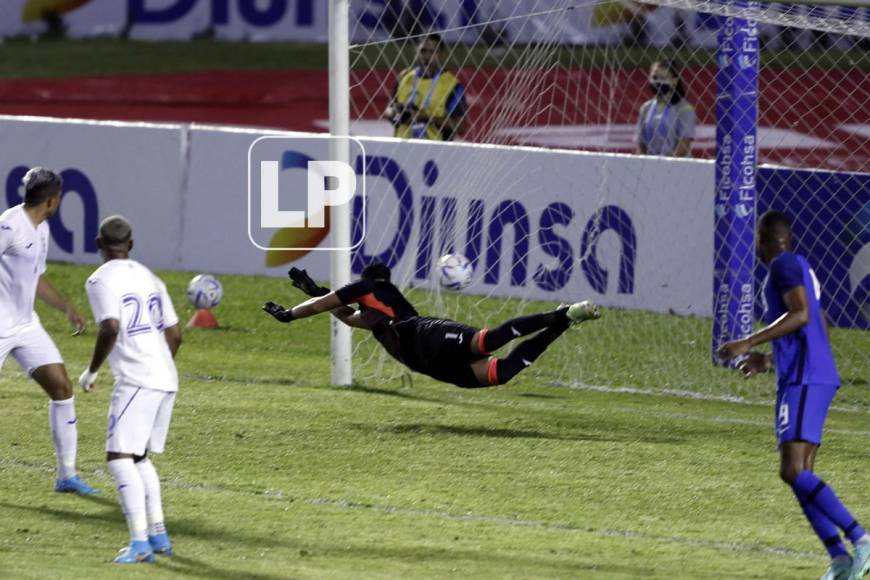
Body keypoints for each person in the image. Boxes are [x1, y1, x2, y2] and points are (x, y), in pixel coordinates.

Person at [720, 211, 870, 580]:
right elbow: (821, 324)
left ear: (767, 239)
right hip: (810, 373)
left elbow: (801, 315)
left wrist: (747, 342)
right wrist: (768, 360)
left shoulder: (783, 265)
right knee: (802, 473)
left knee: (792, 469)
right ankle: (839, 561)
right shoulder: (801, 266)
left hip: (804, 378)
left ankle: (859, 539)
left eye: (758, 237)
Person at [263, 264, 599, 389]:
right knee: (503, 373)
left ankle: (560, 315)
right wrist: (317, 294)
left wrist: (292, 314)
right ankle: (563, 320)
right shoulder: (375, 318)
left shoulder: (373, 288)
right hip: (424, 362)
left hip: (425, 334)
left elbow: (332, 304)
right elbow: (346, 315)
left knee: (488, 342)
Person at [79, 215, 182, 564]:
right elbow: (175, 334)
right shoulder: (148, 275)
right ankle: (159, 535)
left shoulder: (99, 280)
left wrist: (92, 370)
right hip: (166, 376)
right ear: (131, 245)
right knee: (139, 457)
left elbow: (110, 326)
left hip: (139, 379)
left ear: (97, 244)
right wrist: (159, 364)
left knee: (119, 458)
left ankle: (139, 544)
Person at [0, 167, 97, 495]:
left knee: (62, 388)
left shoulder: (40, 229)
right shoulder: (9, 225)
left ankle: (66, 476)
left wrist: (66, 308)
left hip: (26, 324)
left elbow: (35, 277)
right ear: (53, 200)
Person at [382, 33, 467, 141]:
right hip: (401, 147)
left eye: (432, 52)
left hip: (436, 151)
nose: (427, 57)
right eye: (423, 51)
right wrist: (396, 114)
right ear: (416, 52)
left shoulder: (452, 85)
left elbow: (460, 126)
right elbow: (388, 109)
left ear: (441, 55)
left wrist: (425, 118)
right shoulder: (404, 77)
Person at [635, 60, 695, 158]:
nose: (658, 81)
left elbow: (684, 143)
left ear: (674, 81)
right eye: (654, 78)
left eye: (663, 78)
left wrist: (667, 167)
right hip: (651, 166)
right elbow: (641, 143)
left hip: (677, 166)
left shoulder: (684, 108)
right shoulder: (646, 108)